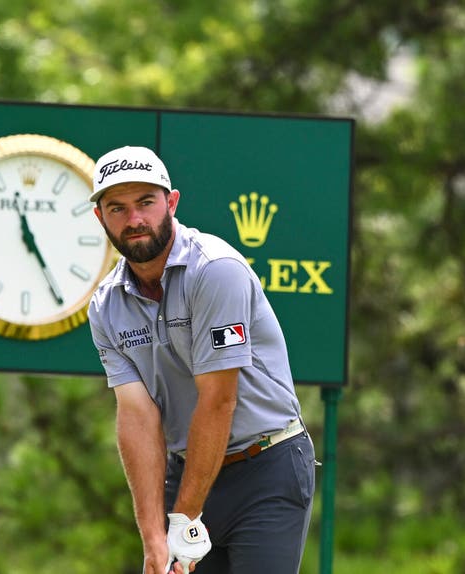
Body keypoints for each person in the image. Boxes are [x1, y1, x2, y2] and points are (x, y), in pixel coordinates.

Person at [87, 145, 317, 574]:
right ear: (100, 218)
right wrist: (155, 536)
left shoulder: (215, 269)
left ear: (171, 203)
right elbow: (137, 417)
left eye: (146, 203)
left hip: (266, 466)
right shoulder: (105, 306)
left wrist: (183, 518)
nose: (134, 220)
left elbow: (218, 401)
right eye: (117, 208)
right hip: (188, 470)